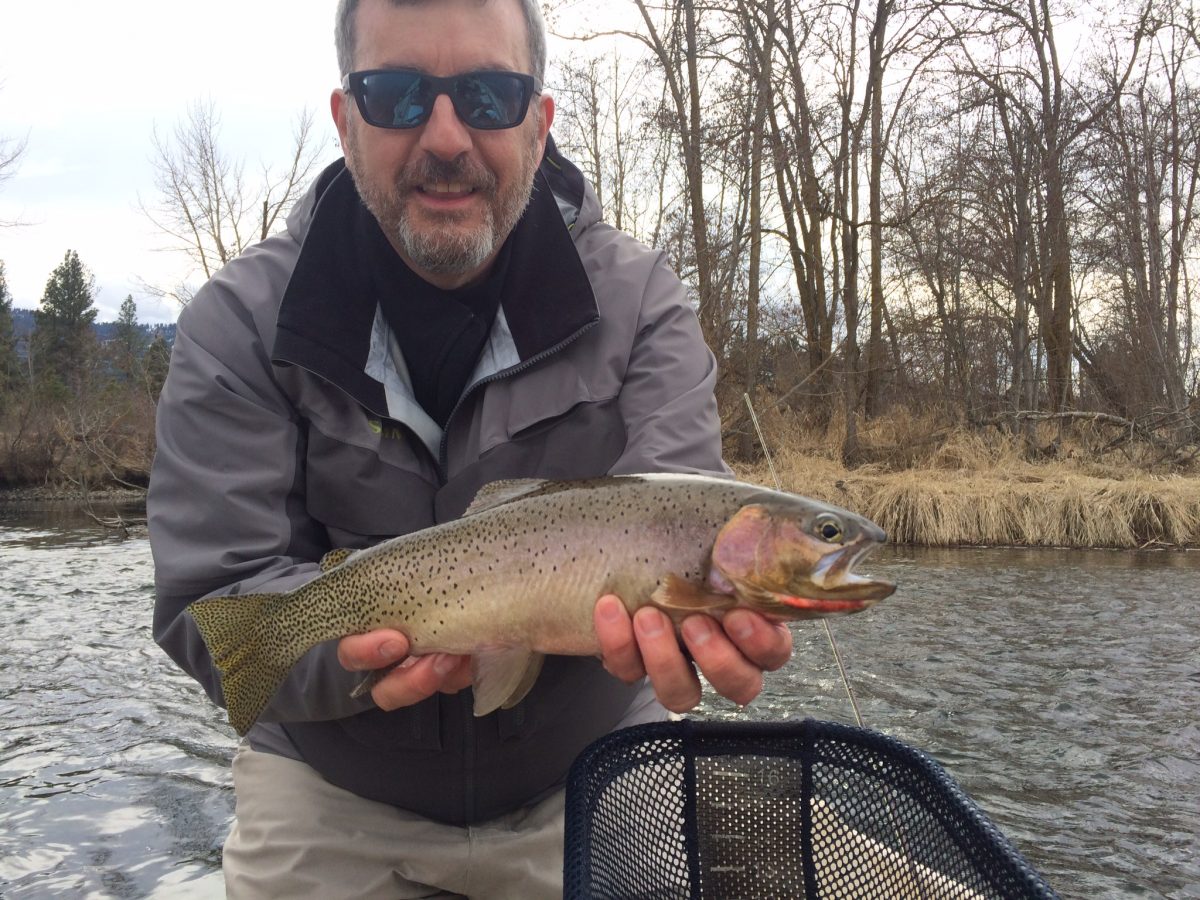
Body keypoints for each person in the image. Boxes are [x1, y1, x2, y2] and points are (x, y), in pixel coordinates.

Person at [149, 0, 793, 896]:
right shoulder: (241, 323)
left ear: (539, 121)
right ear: (345, 120)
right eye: (398, 94)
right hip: (330, 788)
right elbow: (211, 604)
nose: (445, 136)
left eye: (488, 96)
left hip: (586, 774)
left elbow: (686, 507)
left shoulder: (640, 301)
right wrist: (348, 658)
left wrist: (698, 631)